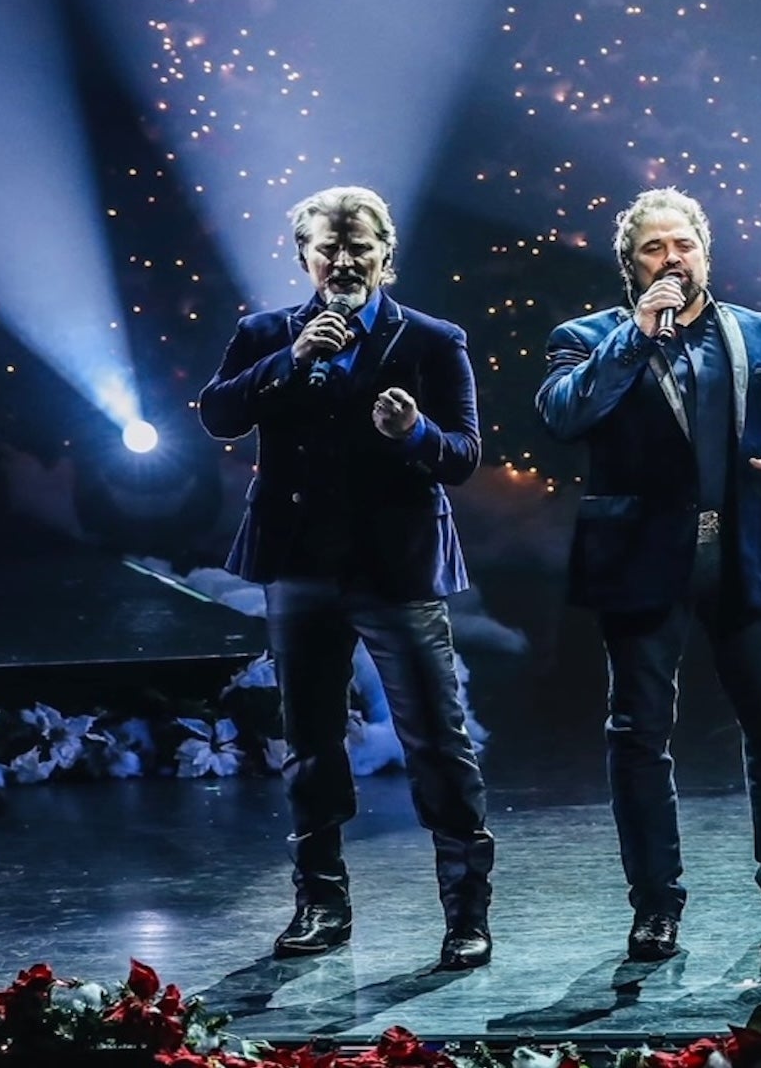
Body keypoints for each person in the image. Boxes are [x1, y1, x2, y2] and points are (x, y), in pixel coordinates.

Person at [198, 185, 494, 969]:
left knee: (436, 736)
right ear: (304, 258)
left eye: (357, 245)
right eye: (327, 247)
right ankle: (320, 903)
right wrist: (286, 363)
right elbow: (217, 414)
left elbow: (464, 455)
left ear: (385, 256)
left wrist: (414, 431)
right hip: (297, 563)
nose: (342, 260)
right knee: (311, 740)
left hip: (394, 566)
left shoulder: (432, 340)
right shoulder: (267, 334)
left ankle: (466, 911)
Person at [536, 187, 761, 961]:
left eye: (684, 245)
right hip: (639, 561)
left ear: (706, 250)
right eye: (654, 250)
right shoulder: (586, 337)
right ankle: (656, 906)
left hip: (743, 554)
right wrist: (634, 338)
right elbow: (566, 415)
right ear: (630, 267)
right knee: (639, 735)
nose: (673, 260)